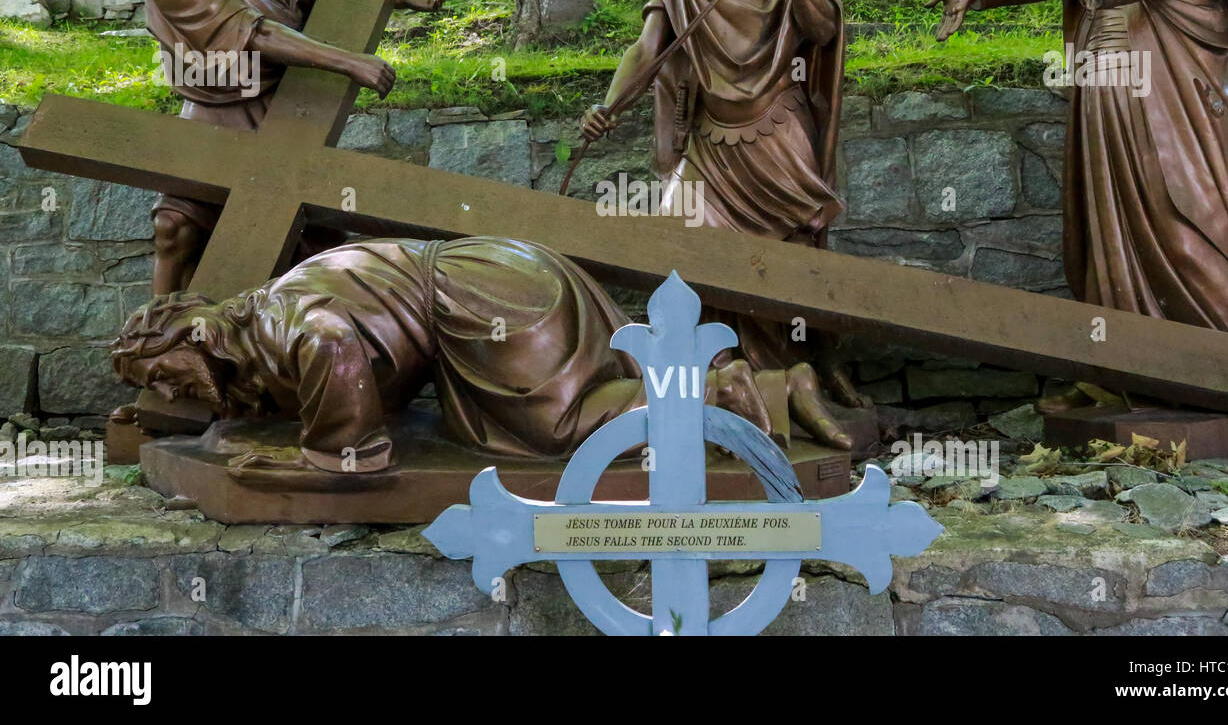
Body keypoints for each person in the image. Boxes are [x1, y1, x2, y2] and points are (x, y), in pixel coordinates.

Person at [927, 0, 1228, 411]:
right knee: (1103, 228)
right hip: (1104, 96)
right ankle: (1120, 375)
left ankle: (1227, 373)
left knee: (1179, 221)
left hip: (1168, 109)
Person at [578, 0, 872, 419]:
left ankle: (800, 373)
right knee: (684, 248)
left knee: (789, 256)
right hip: (710, 140)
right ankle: (726, 386)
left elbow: (820, 31)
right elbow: (648, 48)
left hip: (777, 128)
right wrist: (609, 105)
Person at [111, 236, 853, 474]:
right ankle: (748, 383)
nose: (173, 391)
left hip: (484, 303)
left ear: (197, 335)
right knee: (613, 382)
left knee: (558, 432)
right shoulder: (270, 309)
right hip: (504, 273)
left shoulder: (280, 318)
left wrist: (326, 454)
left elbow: (335, 346)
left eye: (162, 374)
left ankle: (746, 393)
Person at [143, 0, 448, 294]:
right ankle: (159, 332)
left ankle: (285, 331)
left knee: (301, 230)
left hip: (288, 102)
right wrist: (348, 62)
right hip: (219, 109)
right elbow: (255, 33)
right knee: (176, 226)